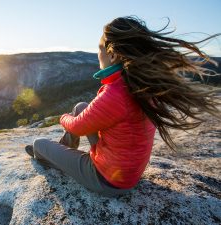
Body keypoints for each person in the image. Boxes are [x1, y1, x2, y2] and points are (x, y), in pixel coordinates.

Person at [25, 16, 221, 197]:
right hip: (125, 172)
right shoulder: (141, 85)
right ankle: (65, 149)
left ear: (112, 55)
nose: (97, 54)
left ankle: (48, 159)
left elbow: (76, 126)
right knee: (81, 106)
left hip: (107, 180)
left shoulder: (116, 93)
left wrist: (62, 117)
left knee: (39, 144)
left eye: (99, 48)